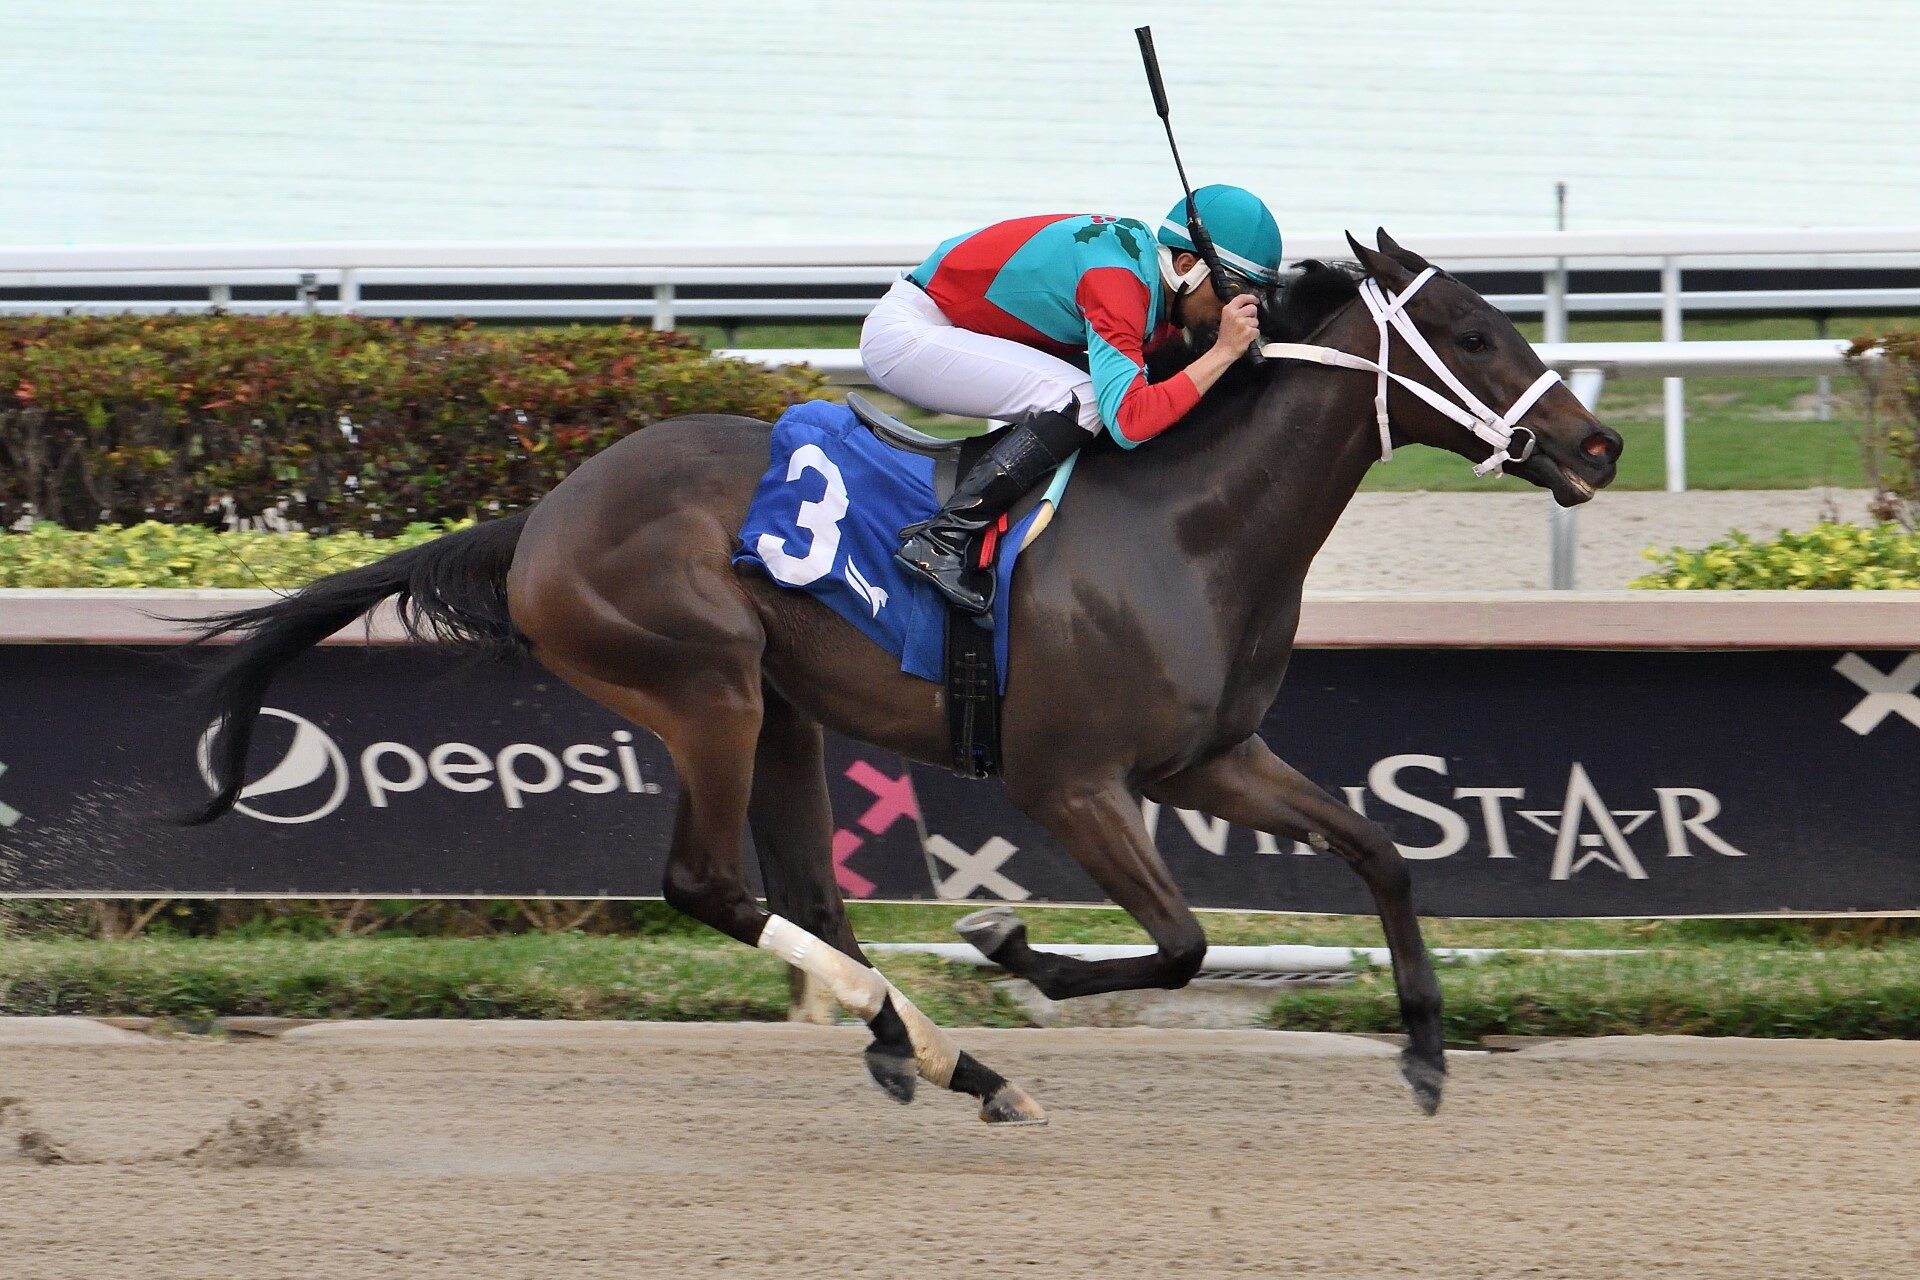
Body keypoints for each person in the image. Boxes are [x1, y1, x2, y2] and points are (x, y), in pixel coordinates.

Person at [859, 183, 1280, 614]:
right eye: (1232, 288)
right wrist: (1225, 350)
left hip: (945, 321)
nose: (1237, 307)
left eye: (1253, 294)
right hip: (908, 335)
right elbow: (1130, 422)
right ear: (1186, 265)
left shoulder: (1143, 275)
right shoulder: (1117, 283)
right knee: (1087, 399)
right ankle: (943, 538)